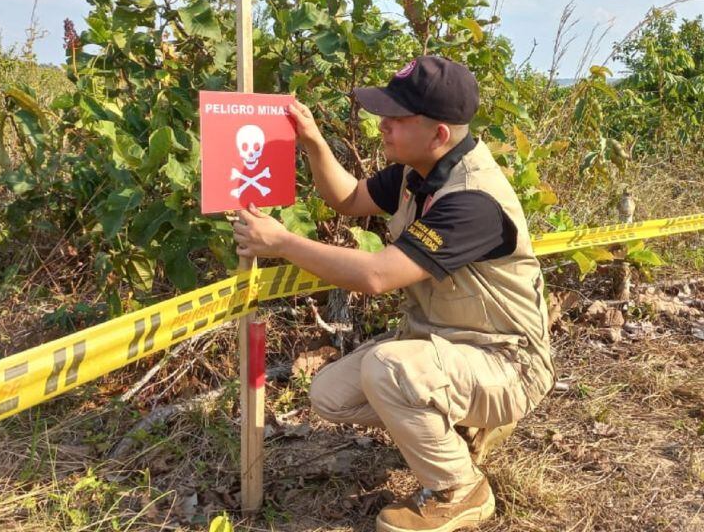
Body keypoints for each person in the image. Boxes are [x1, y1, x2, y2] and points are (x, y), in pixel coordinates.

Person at [233, 55, 554, 532]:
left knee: (388, 369)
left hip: (506, 362)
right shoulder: (417, 171)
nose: (381, 126)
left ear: (439, 133)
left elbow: (376, 276)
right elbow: (348, 199)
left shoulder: (472, 201)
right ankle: (458, 423)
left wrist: (281, 242)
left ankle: (459, 490)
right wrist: (314, 142)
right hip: (446, 347)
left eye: (395, 118)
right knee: (330, 395)